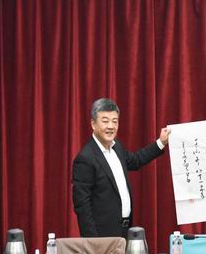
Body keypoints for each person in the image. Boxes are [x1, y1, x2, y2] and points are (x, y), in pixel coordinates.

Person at [72, 98, 170, 238]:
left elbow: (135, 161)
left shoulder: (116, 146)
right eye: (105, 121)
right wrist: (93, 242)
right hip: (102, 237)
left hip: (125, 230)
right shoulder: (85, 158)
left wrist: (161, 142)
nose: (111, 126)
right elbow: (82, 206)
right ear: (93, 124)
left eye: (115, 121)